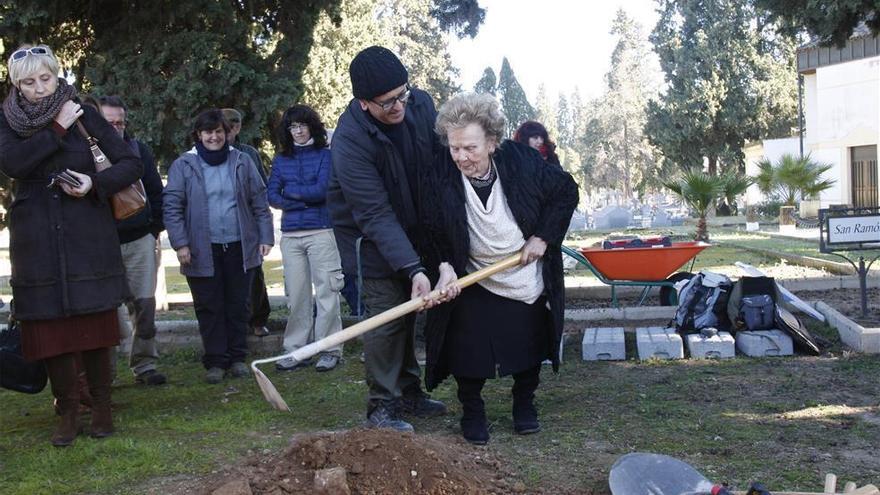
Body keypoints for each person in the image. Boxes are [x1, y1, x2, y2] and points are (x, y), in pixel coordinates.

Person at [0, 44, 142, 446]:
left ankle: (101, 407)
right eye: (28, 82)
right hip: (36, 239)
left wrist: (94, 184)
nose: (39, 88)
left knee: (94, 325)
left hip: (86, 234)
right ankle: (66, 411)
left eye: (45, 78)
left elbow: (130, 164)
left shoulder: (83, 111)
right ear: (16, 85)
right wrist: (57, 129)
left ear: (56, 73)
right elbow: (13, 164)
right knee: (51, 330)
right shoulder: (7, 120)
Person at [422, 93, 578, 445]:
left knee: (527, 344)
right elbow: (430, 226)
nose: (461, 157)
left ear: (492, 143)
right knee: (467, 347)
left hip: (522, 268)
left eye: (470, 148)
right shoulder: (438, 172)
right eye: (455, 147)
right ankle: (472, 412)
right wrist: (445, 266)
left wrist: (543, 237)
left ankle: (524, 405)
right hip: (472, 271)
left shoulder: (522, 160)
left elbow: (566, 191)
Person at [326, 45, 446, 432]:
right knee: (386, 320)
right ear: (363, 103)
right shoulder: (349, 141)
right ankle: (382, 405)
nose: (399, 106)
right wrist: (411, 266)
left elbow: (442, 164)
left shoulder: (421, 105)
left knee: (411, 315)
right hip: (371, 239)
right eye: (387, 102)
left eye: (402, 94)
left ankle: (410, 392)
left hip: (417, 227)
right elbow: (374, 212)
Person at [163, 109, 273, 384]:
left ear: (227, 134)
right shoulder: (183, 166)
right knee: (209, 306)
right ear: (199, 135)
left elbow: (259, 202)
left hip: (239, 245)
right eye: (208, 132)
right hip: (201, 249)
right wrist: (181, 243)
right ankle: (215, 361)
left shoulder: (242, 162)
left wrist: (265, 237)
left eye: (219, 132)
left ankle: (237, 358)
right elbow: (173, 207)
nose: (214, 137)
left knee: (238, 304)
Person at [268, 105, 344, 372]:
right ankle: (296, 349)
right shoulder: (281, 160)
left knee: (327, 292)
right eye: (292, 127)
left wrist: (293, 197)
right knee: (297, 295)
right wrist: (303, 200)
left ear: (312, 126)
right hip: (290, 235)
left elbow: (323, 191)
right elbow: (272, 196)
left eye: (302, 125)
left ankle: (329, 349)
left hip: (321, 231)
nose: (298, 131)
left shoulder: (326, 155)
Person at [99, 95, 167, 386]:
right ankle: (105, 372)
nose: (116, 128)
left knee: (145, 307)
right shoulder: (84, 154)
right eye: (109, 123)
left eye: (120, 122)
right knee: (106, 311)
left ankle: (145, 365)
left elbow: (155, 191)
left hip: (139, 239)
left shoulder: (139, 150)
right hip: (102, 245)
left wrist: (154, 228)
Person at [221, 108, 271, 337]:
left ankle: (258, 320)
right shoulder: (203, 153)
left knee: (254, 275)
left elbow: (261, 190)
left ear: (237, 128)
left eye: (232, 125)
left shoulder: (248, 154)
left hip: (248, 222)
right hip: (221, 224)